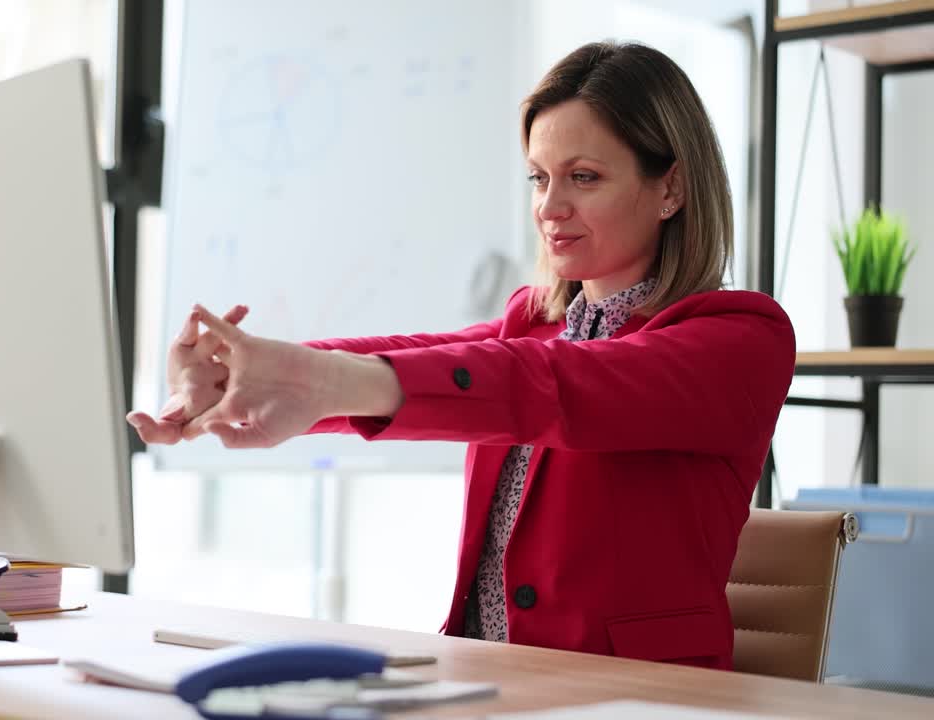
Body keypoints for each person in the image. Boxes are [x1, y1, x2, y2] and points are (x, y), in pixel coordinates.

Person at [127, 41, 795, 670]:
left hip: (639, 696)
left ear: (671, 189)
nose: (549, 208)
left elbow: (547, 388)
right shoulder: (533, 326)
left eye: (583, 178)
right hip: (489, 681)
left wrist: (309, 379)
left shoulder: (738, 340)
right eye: (539, 178)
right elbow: (413, 358)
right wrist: (242, 378)